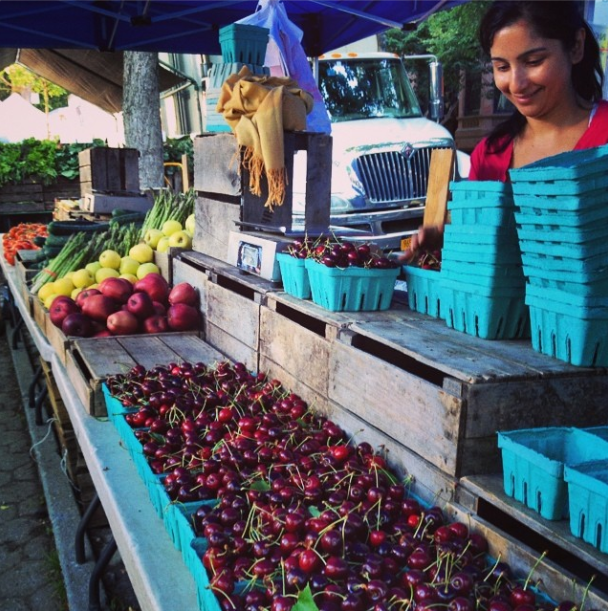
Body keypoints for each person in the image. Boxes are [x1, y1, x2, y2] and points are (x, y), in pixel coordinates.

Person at [401, 0, 608, 262]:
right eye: (502, 67)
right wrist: (452, 238)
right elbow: (484, 255)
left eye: (534, 61)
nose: (517, 83)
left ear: (575, 47)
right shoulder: (488, 155)